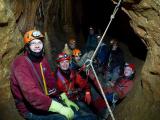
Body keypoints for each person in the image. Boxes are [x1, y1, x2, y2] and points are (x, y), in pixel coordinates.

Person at [10, 30, 75, 120]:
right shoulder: (20, 63)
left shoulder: (42, 60)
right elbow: (31, 94)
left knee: (74, 111)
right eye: (33, 43)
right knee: (63, 118)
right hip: (29, 109)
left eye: (39, 42)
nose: (37, 46)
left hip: (44, 99)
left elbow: (50, 81)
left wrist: (61, 96)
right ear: (27, 47)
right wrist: (59, 108)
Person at [55, 52, 97, 120]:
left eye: (66, 61)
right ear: (58, 65)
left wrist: (87, 92)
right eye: (62, 62)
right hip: (66, 104)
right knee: (82, 117)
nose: (65, 64)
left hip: (75, 99)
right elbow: (54, 93)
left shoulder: (73, 73)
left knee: (91, 113)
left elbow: (83, 83)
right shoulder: (54, 78)